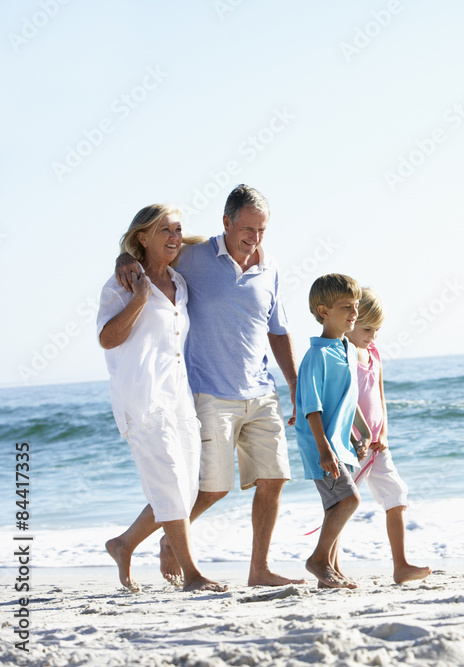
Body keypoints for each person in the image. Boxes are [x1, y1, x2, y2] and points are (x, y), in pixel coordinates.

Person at [116, 185, 303, 587]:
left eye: (262, 230)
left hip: (261, 391)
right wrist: (123, 257)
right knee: (211, 489)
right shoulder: (194, 257)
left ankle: (259, 569)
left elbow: (278, 329)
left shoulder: (269, 267)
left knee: (274, 480)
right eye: (247, 228)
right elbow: (149, 252)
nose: (254, 238)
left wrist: (293, 383)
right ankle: (161, 539)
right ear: (226, 222)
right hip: (210, 394)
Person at [98, 204, 226, 593]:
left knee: (184, 490)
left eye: (177, 229)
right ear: (143, 237)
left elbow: (202, 246)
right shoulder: (119, 284)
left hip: (178, 399)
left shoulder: (180, 282)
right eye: (164, 230)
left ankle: (123, 545)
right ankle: (192, 574)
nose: (173, 237)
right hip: (141, 399)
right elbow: (107, 338)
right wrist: (138, 296)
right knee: (169, 485)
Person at [345, 287, 431, 584]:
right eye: (368, 328)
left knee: (395, 497)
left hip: (379, 445)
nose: (373, 335)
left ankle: (401, 565)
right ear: (350, 322)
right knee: (341, 504)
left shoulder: (374, 353)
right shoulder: (342, 353)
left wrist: (384, 433)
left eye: (377, 329)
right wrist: (360, 437)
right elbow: (344, 400)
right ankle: (327, 565)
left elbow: (379, 397)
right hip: (352, 445)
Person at [294, 273, 372, 588]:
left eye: (355, 306)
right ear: (324, 311)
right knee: (349, 501)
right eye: (346, 308)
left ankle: (331, 570)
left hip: (339, 445)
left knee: (334, 508)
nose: (354, 313)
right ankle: (317, 561)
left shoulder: (347, 349)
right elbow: (312, 408)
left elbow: (347, 400)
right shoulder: (316, 356)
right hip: (320, 447)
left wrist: (361, 435)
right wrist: (325, 449)